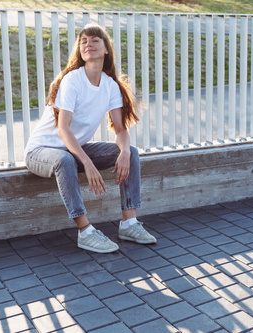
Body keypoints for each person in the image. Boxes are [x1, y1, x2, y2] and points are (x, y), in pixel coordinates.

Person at [24, 23, 156, 254]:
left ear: (106, 49)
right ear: (79, 50)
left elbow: (121, 130)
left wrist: (124, 152)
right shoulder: (72, 80)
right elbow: (63, 129)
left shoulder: (110, 86)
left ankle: (129, 223)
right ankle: (85, 231)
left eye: (95, 40)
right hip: (41, 152)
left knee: (131, 151)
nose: (88, 44)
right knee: (63, 160)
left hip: (72, 150)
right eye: (83, 41)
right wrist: (87, 163)